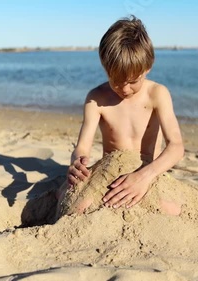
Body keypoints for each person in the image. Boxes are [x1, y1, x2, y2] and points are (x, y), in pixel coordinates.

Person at [55, 16, 184, 218]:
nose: (124, 89)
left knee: (172, 209)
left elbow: (176, 146)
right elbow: (83, 145)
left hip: (148, 171)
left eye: (133, 81)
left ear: (148, 67)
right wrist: (76, 163)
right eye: (116, 81)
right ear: (105, 68)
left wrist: (144, 176)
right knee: (77, 208)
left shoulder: (157, 94)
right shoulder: (96, 98)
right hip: (108, 172)